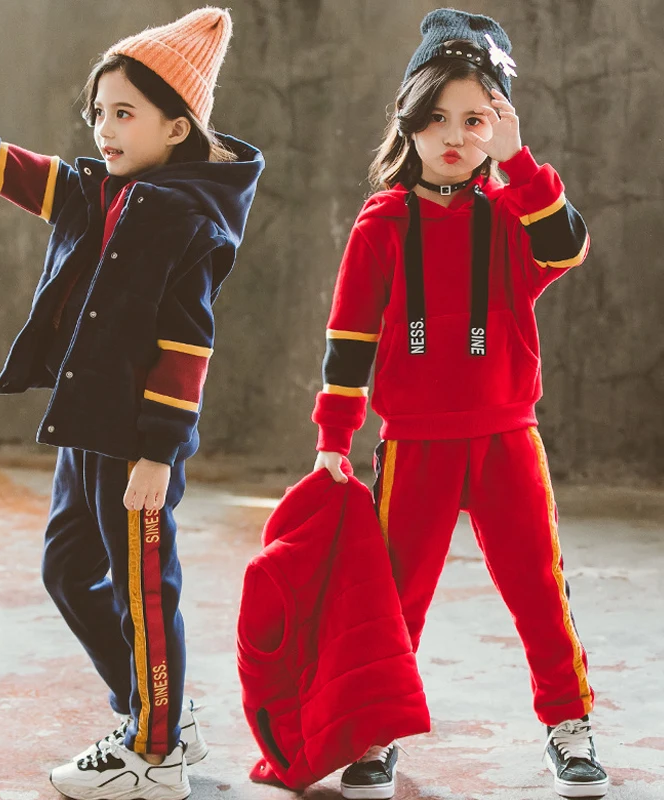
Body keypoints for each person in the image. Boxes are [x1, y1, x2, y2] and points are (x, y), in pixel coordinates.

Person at [0, 8, 263, 800]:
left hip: (135, 443)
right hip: (85, 425)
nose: (104, 129)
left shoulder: (188, 219)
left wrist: (158, 455)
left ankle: (155, 755)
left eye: (124, 114)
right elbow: (15, 168)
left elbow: (188, 345)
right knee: (68, 569)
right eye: (98, 112)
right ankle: (158, 717)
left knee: (145, 592)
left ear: (177, 128)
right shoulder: (99, 191)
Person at [311, 9, 607, 800]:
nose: (452, 135)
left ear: (499, 126)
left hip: (509, 440)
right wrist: (334, 437)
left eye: (475, 120)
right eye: (436, 116)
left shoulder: (515, 214)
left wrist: (521, 161)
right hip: (414, 446)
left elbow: (567, 244)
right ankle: (376, 730)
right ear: (408, 120)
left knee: (540, 592)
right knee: (394, 599)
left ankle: (570, 725)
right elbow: (349, 340)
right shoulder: (379, 225)